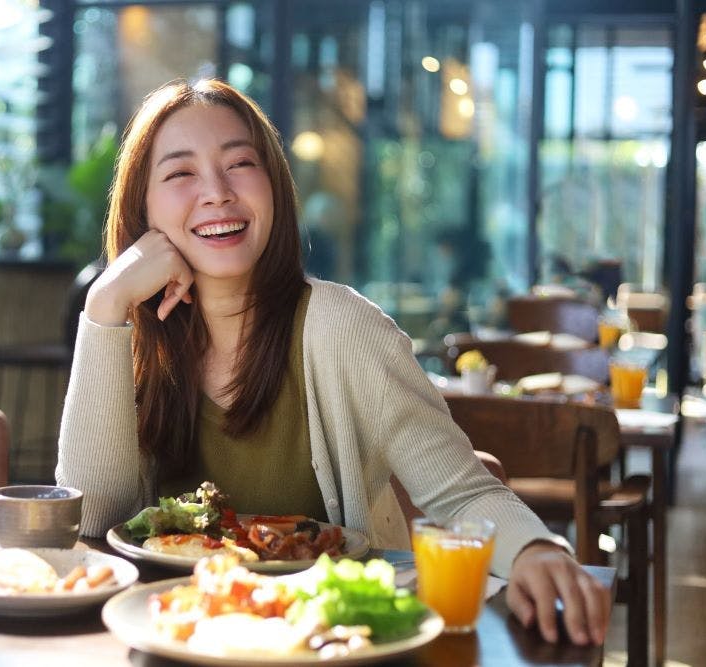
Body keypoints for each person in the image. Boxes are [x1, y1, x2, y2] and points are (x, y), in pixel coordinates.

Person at [56, 78, 610, 646]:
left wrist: (538, 551)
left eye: (239, 163)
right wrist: (104, 304)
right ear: (142, 208)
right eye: (180, 173)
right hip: (178, 637)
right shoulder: (133, 336)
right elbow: (94, 523)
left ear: (273, 186)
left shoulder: (342, 328)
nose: (217, 192)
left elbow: (462, 491)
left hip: (328, 642)